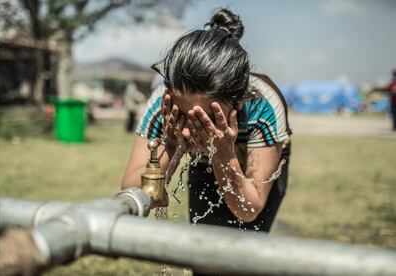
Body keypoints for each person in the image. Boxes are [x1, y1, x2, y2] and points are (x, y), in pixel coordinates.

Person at [121, 9, 292, 233]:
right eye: (183, 115)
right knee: (204, 243)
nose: (190, 130)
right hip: (212, 156)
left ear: (238, 101)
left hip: (247, 164)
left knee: (249, 248)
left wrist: (223, 154)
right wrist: (172, 146)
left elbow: (249, 209)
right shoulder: (162, 105)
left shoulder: (262, 106)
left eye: (206, 119)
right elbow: (132, 192)